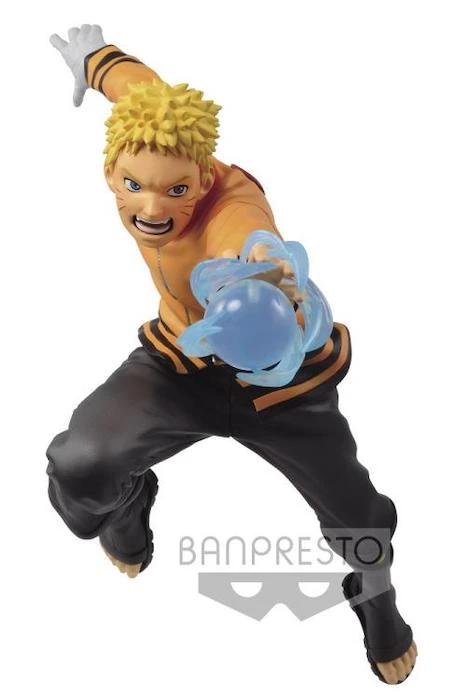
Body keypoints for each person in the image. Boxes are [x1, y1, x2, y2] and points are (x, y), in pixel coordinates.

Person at [46, 24, 417, 684]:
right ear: (111, 171)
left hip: (280, 386)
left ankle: (376, 601)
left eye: (176, 191)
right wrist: (97, 60)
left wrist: (265, 278)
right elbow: (135, 86)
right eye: (133, 185)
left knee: (360, 520)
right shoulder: (154, 127)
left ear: (202, 174)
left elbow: (252, 236)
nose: (151, 209)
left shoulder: (232, 206)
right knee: (81, 466)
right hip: (181, 364)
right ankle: (128, 508)